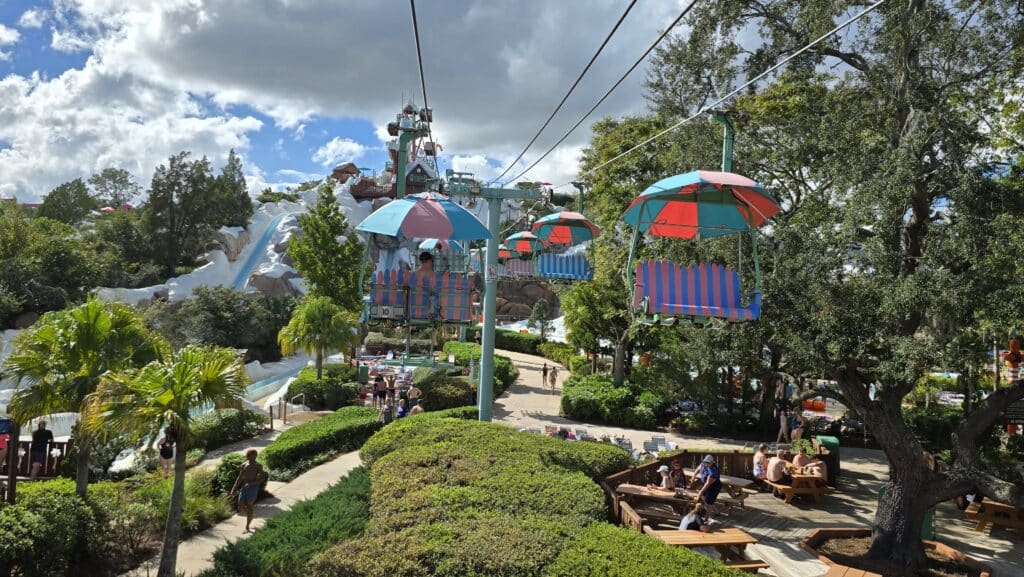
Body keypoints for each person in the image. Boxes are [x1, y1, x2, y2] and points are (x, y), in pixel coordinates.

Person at [229, 449, 265, 533]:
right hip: (244, 486)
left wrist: (253, 483)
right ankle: (251, 515)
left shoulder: (258, 465)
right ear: (248, 456)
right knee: (240, 505)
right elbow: (239, 478)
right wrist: (233, 489)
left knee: (249, 505)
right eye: (252, 455)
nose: (254, 457)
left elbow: (262, 478)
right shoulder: (243, 465)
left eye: (255, 455)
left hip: (253, 487)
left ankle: (247, 527)